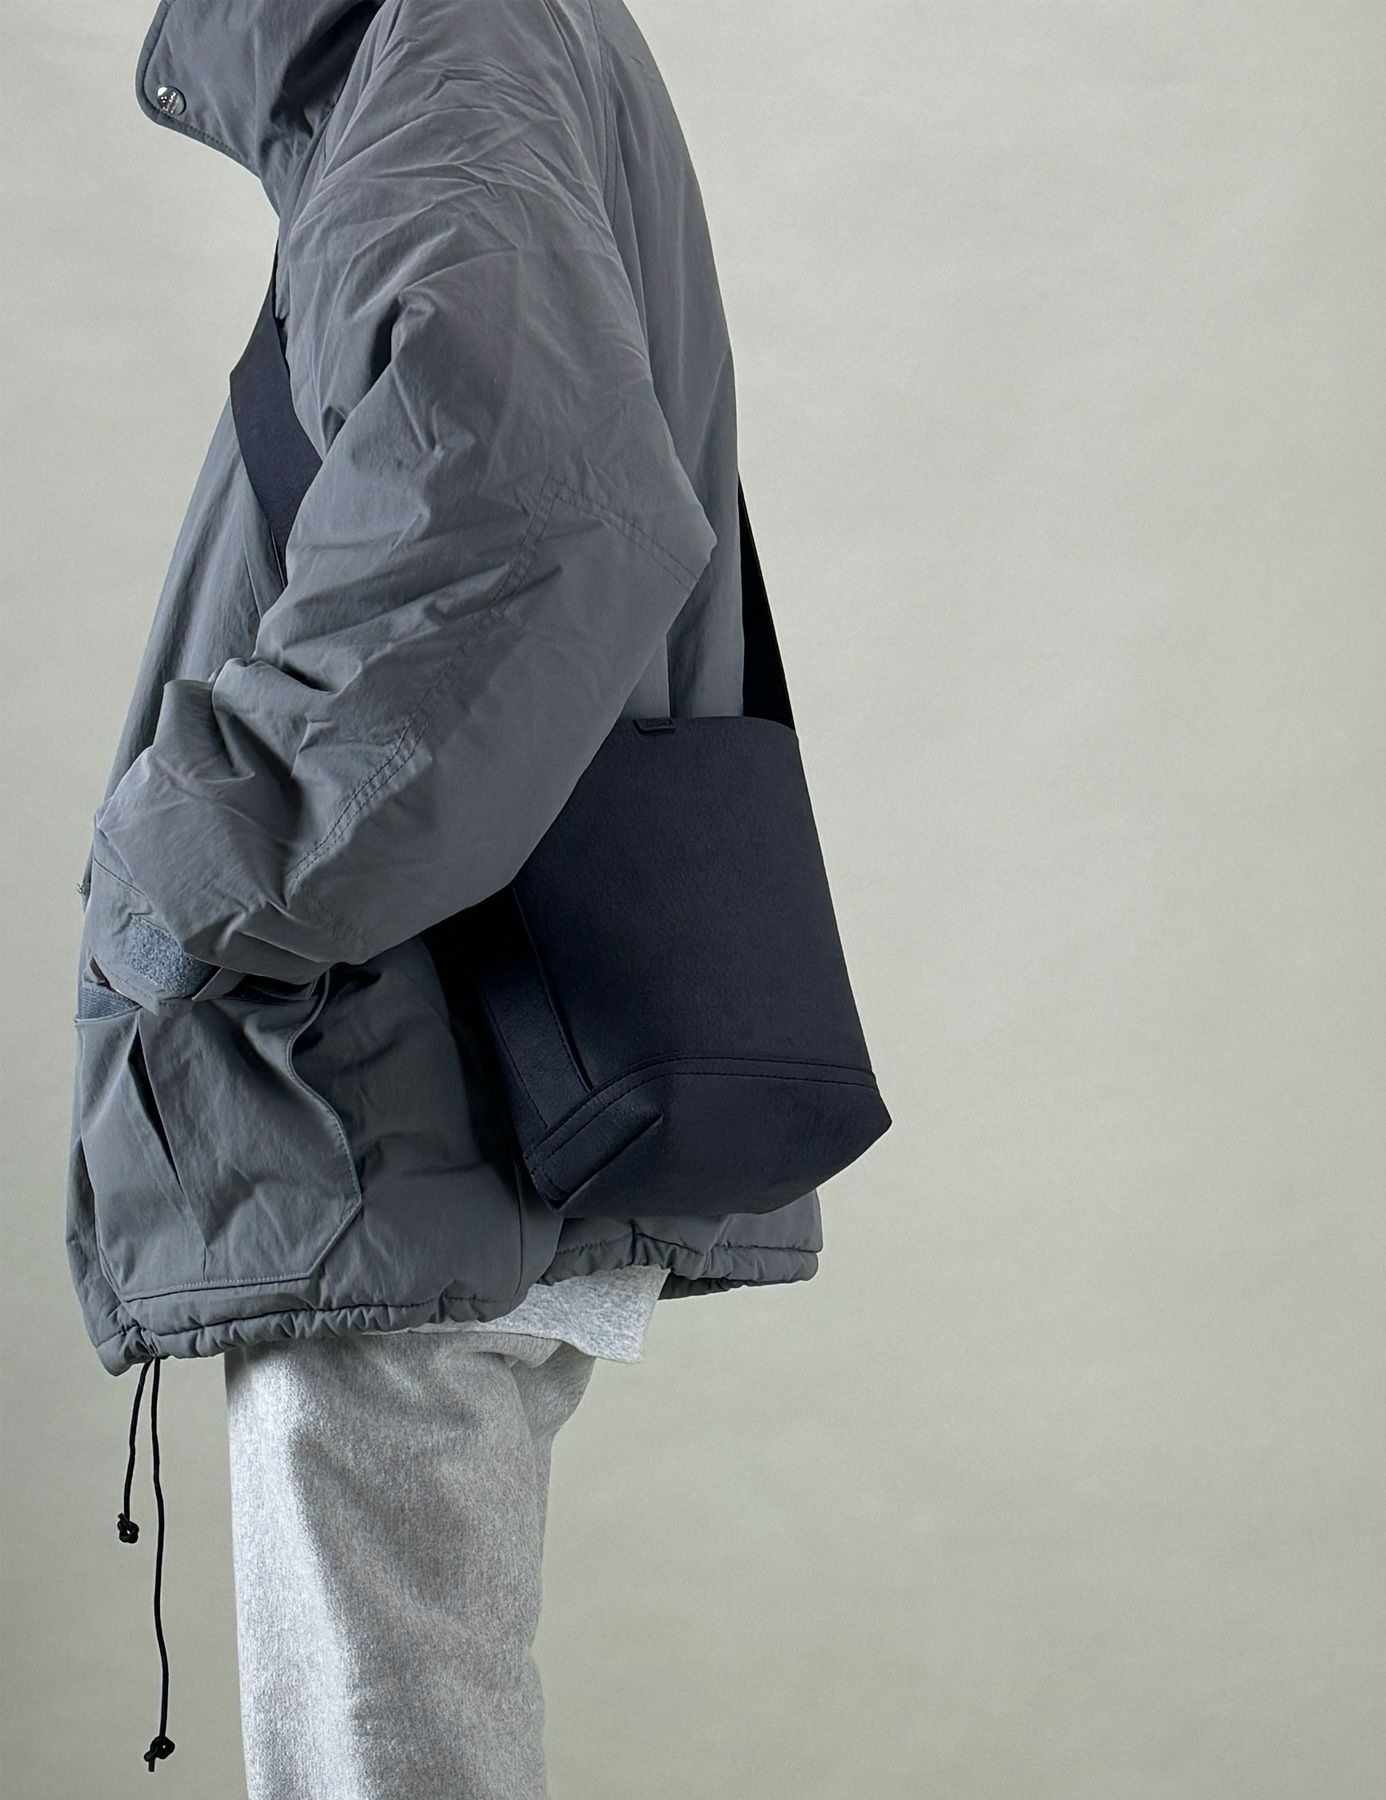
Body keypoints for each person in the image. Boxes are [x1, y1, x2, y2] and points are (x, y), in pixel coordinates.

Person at [69, 1, 825, 1792]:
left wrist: (193, 862)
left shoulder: (456, 42)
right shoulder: (473, 50)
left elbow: (530, 510)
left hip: (388, 1079)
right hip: (444, 1071)